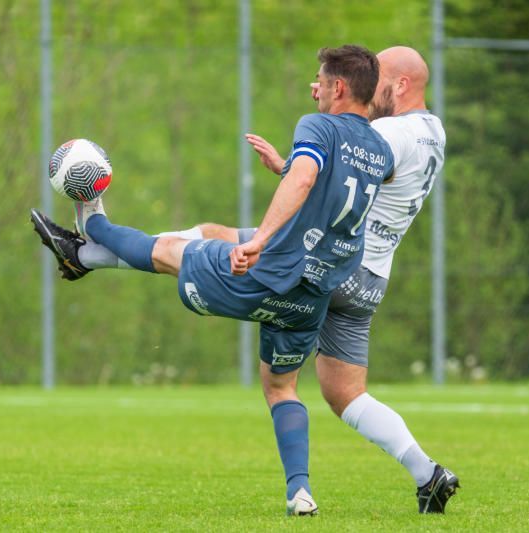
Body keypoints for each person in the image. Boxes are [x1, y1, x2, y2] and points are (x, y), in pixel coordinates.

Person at [50, 46, 460, 515]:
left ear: (400, 84)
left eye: (380, 78)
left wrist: (318, 133)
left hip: (312, 254)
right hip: (363, 277)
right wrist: (301, 149)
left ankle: (87, 246)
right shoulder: (434, 132)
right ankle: (427, 473)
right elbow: (347, 179)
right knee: (346, 396)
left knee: (204, 241)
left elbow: (328, 170)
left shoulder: (384, 132)